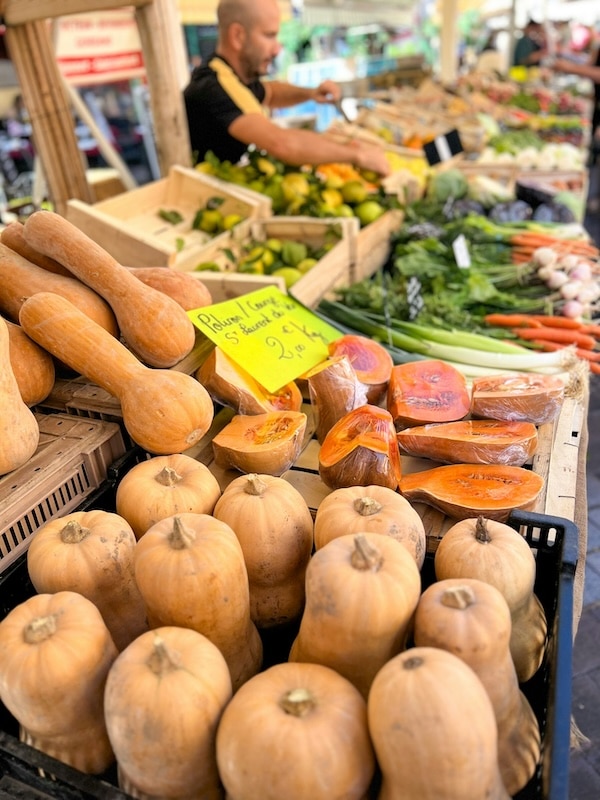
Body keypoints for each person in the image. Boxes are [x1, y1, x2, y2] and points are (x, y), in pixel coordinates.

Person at [183, 0, 390, 176]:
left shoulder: (233, 78)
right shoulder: (214, 87)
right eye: (269, 35)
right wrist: (357, 155)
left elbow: (270, 92)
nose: (277, 48)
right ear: (238, 35)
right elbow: (281, 144)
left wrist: (310, 93)